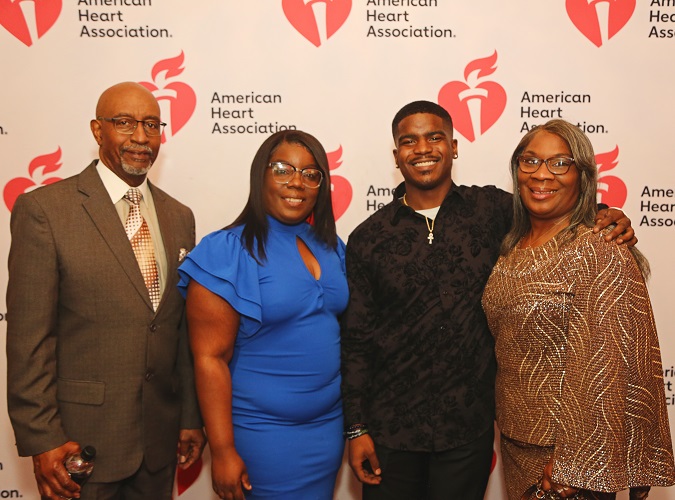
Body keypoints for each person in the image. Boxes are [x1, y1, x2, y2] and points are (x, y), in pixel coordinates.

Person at [340, 101, 636, 500]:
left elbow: (555, 208)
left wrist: (606, 214)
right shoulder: (368, 237)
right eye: (409, 141)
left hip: (469, 431)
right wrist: (356, 428)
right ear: (397, 156)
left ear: (454, 146)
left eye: (434, 137)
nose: (422, 148)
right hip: (391, 429)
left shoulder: (494, 210)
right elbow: (357, 339)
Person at [6, 81, 205, 500]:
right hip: (79, 446)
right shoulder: (45, 211)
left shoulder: (179, 216)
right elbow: (29, 340)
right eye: (125, 123)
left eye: (152, 125)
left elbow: (178, 330)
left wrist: (189, 416)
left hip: (158, 444)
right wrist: (42, 439)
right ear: (98, 131)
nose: (140, 137)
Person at [482, 119, 675, 500]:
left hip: (568, 462)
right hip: (518, 442)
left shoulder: (599, 248)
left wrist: (576, 463)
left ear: (582, 175)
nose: (541, 174)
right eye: (529, 160)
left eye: (559, 163)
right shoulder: (511, 246)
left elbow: (607, 367)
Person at [178, 129, 348, 499]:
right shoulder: (226, 251)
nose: (297, 183)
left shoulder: (331, 245)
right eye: (283, 169)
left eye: (310, 174)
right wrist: (222, 451)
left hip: (327, 428)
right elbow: (209, 359)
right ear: (261, 175)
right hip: (262, 432)